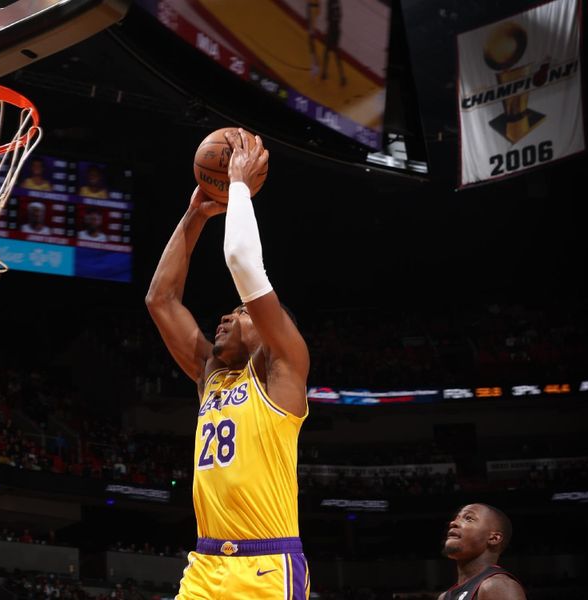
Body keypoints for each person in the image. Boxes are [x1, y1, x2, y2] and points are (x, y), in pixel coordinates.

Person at [145, 129, 310, 599]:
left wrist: (238, 184)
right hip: (205, 563)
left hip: (265, 565)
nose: (225, 315)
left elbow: (241, 259)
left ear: (270, 326)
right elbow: (161, 299)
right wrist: (193, 216)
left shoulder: (284, 369)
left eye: (239, 312)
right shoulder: (211, 376)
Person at [440, 504, 527, 600]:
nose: (453, 523)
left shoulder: (496, 586)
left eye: (468, 518)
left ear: (494, 538)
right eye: (456, 518)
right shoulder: (445, 597)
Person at [321, 0, 347, 86]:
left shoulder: (329, 2)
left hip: (332, 30)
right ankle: (342, 76)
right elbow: (340, 15)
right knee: (336, 53)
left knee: (327, 52)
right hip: (337, 30)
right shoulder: (338, 2)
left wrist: (327, 32)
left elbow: (328, 18)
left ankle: (324, 73)